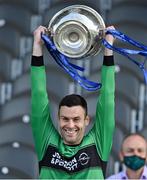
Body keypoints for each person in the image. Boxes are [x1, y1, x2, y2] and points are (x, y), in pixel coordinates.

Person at [31, 25, 115, 179]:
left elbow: (107, 98)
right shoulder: (47, 142)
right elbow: (38, 95)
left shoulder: (98, 143)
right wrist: (37, 46)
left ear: (86, 120)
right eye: (65, 119)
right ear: (58, 118)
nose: (70, 125)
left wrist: (108, 47)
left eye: (76, 119)